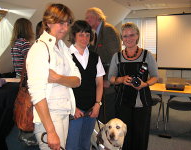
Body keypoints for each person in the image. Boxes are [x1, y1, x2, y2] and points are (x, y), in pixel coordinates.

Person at [26, 3, 81, 150]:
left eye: (67, 23)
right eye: (60, 22)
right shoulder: (39, 49)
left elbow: (77, 80)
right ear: (49, 22)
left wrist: (57, 78)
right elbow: (37, 95)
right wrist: (50, 131)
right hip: (48, 117)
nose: (65, 27)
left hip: (64, 112)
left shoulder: (62, 46)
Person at [108, 22, 158, 150]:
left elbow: (155, 77)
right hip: (122, 101)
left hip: (142, 101)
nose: (128, 38)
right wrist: (121, 79)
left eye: (132, 35)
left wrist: (145, 84)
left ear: (137, 36)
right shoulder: (117, 56)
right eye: (125, 36)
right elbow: (111, 78)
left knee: (140, 133)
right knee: (123, 134)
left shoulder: (147, 55)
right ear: (122, 39)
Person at [66, 20, 105, 150]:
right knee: (72, 145)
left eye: (87, 35)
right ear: (74, 36)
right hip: (74, 110)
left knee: (85, 144)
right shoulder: (66, 56)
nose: (85, 38)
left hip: (91, 109)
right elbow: (62, 86)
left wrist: (97, 104)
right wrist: (73, 107)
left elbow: (99, 83)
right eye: (81, 34)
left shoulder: (95, 57)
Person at [85, 7, 121, 73]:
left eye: (89, 17)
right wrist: (86, 44)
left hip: (108, 72)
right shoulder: (97, 32)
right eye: (86, 18)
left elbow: (115, 56)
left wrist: (108, 78)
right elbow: (98, 51)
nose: (87, 20)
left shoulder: (107, 29)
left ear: (98, 17)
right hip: (102, 71)